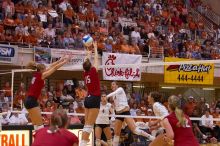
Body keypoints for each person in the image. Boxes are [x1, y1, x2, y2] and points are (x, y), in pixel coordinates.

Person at [24, 56, 69, 130]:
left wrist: (60, 60)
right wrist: (65, 62)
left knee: (36, 125)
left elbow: (51, 65)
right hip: (32, 101)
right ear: (42, 70)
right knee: (40, 125)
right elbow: (54, 68)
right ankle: (41, 140)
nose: (46, 70)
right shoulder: (42, 75)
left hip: (28, 100)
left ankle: (36, 140)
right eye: (45, 69)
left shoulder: (36, 74)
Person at [107, 81, 155, 146]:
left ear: (117, 85)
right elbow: (117, 104)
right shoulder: (113, 96)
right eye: (111, 85)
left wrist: (106, 96)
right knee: (116, 133)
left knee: (134, 130)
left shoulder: (120, 89)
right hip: (118, 114)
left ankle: (150, 137)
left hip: (125, 112)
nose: (112, 86)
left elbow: (114, 93)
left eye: (113, 84)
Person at [80, 42, 101, 146]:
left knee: (86, 124)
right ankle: (82, 143)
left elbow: (86, 62)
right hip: (94, 98)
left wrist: (88, 53)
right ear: (90, 66)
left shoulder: (85, 72)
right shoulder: (93, 71)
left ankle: (83, 141)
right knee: (89, 125)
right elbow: (96, 59)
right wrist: (95, 48)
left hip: (88, 99)